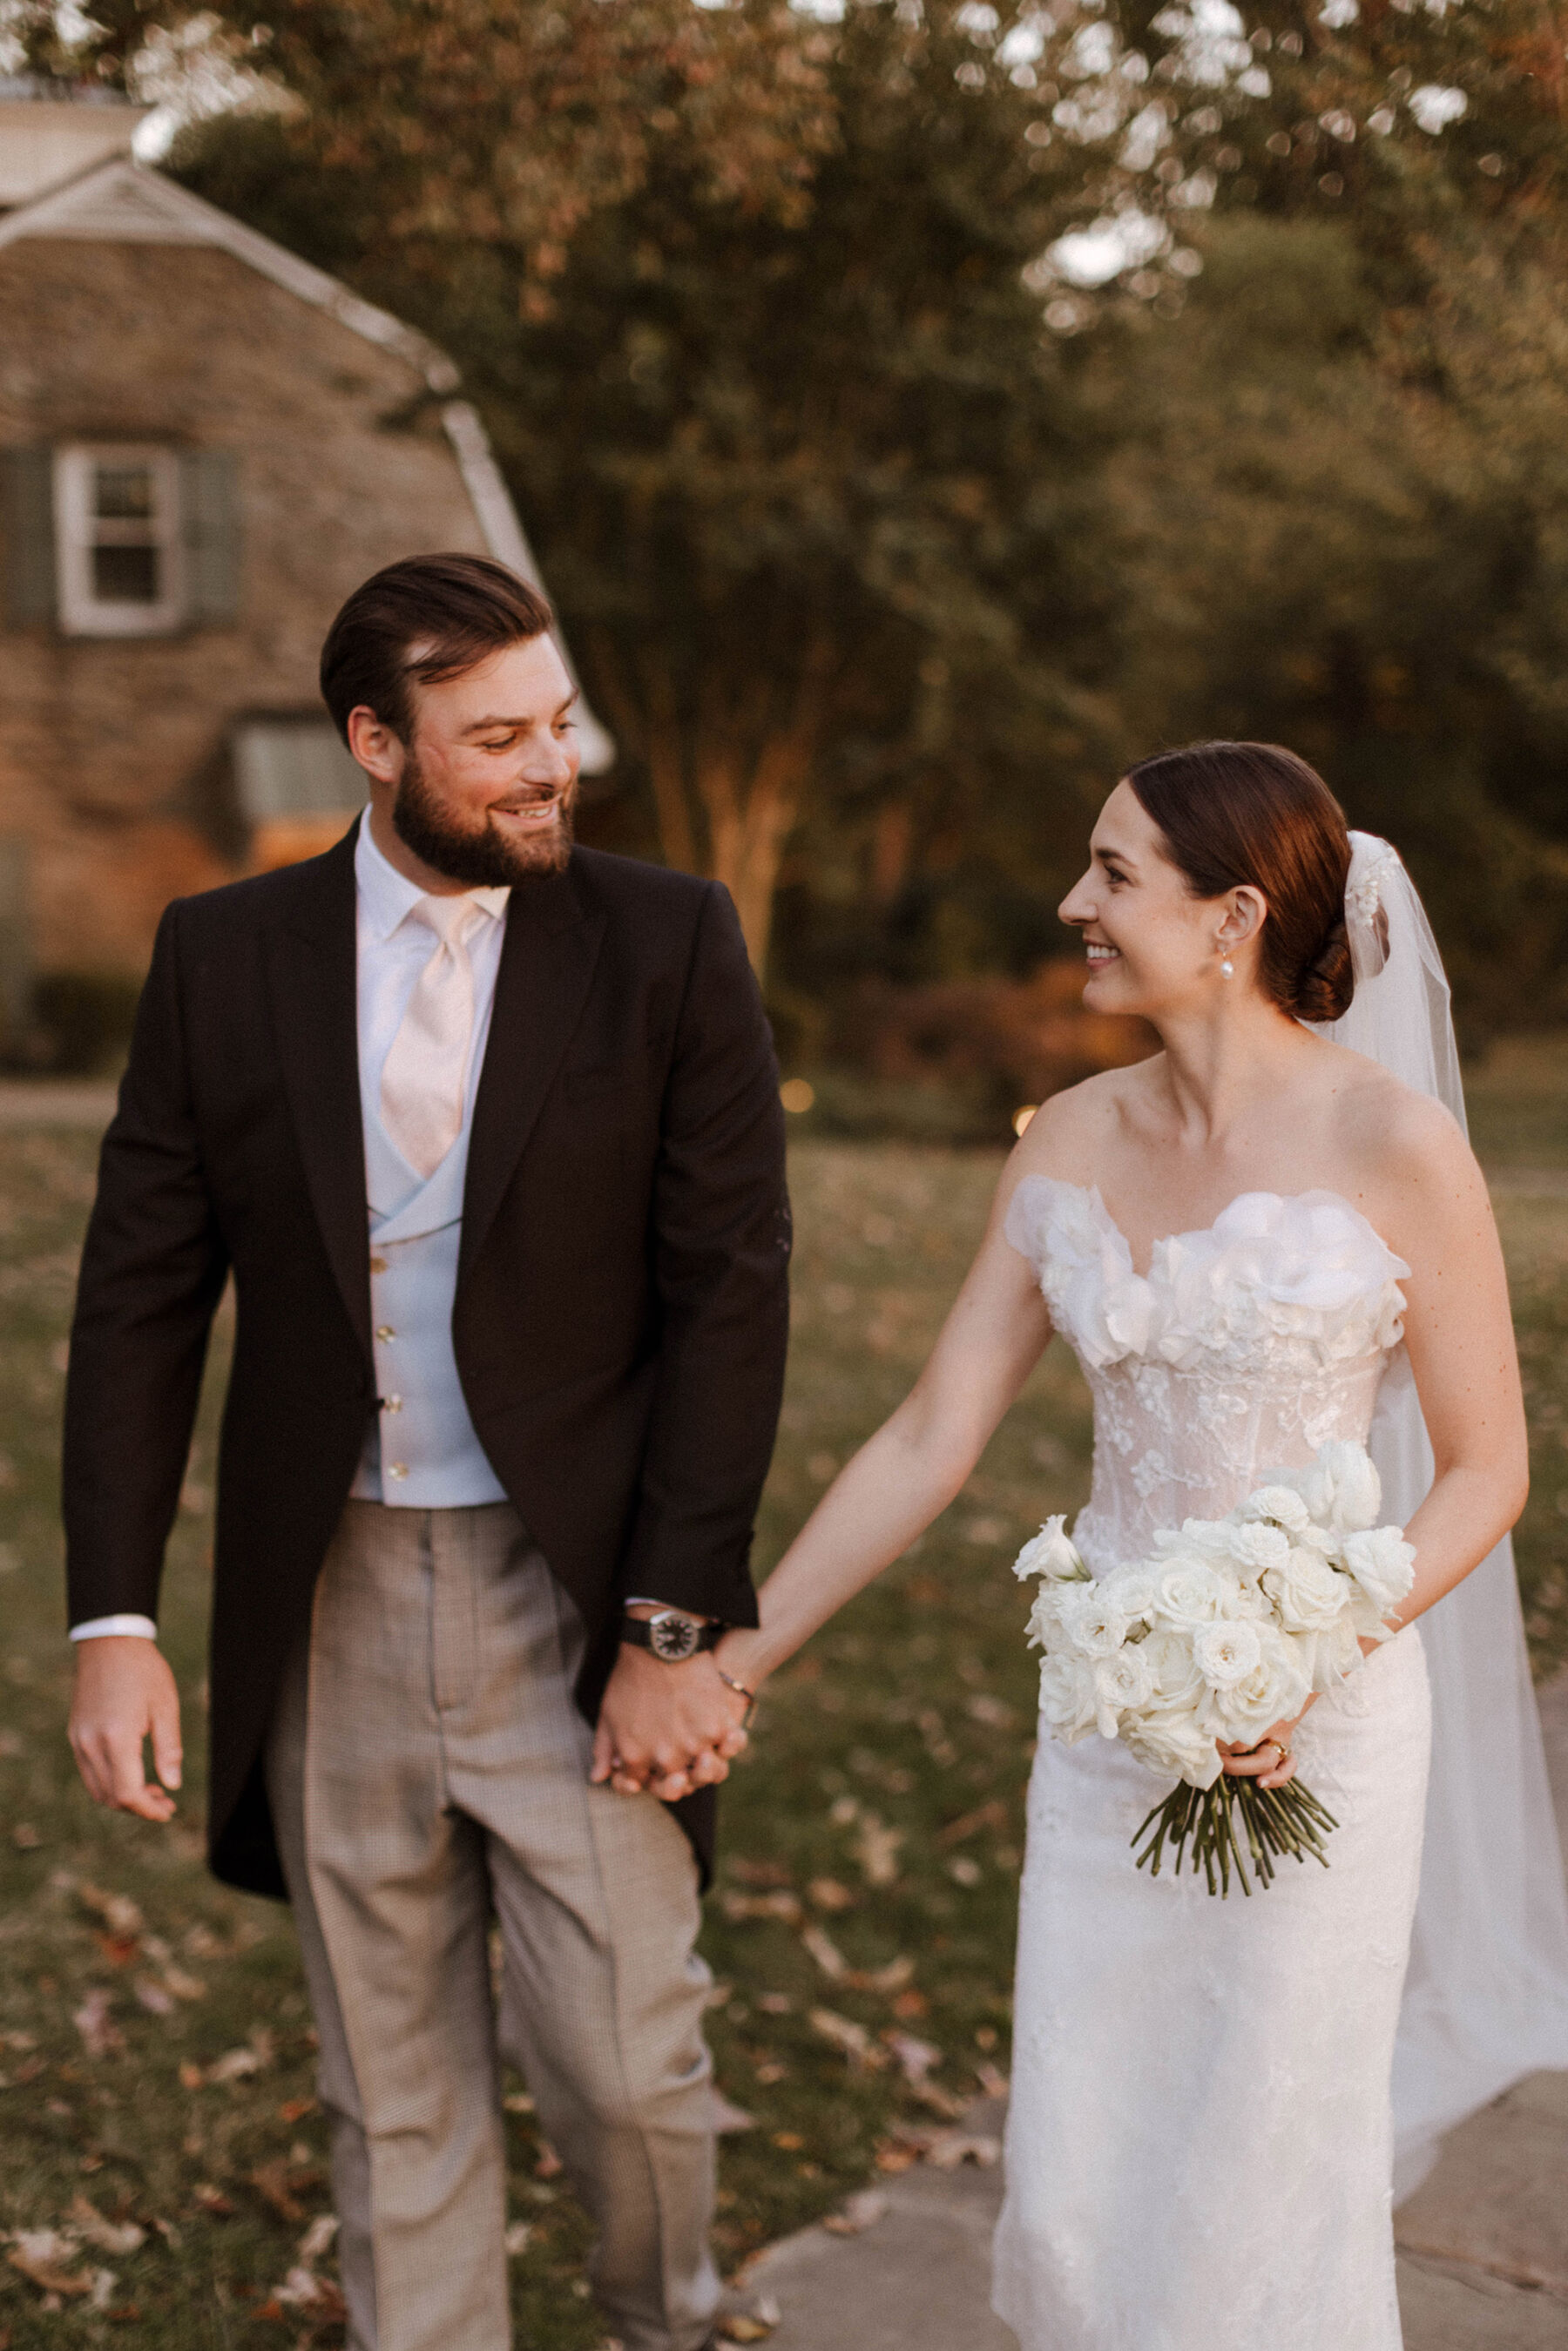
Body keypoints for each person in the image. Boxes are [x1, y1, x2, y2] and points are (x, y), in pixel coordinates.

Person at [706, 742, 1568, 2348]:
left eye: (1112, 875)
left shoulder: (1398, 1145)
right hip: (1108, 1725)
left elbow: (1486, 1471)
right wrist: (740, 1655)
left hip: (1317, 1735)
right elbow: (927, 1436)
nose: (1071, 905)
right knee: (1085, 2172)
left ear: (1232, 913)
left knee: (1261, 2169)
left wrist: (1313, 1649)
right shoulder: (1070, 1140)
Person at [61, 553, 774, 2351]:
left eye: (557, 726)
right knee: (393, 2101)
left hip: (581, 1593)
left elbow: (733, 1294)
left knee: (629, 2069)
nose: (551, 767)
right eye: (499, 740)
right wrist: (114, 1621)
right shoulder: (221, 958)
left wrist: (674, 1623)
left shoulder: (667, 938)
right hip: (335, 1594)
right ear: (374, 744)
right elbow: (140, 1299)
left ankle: (661, 2319)